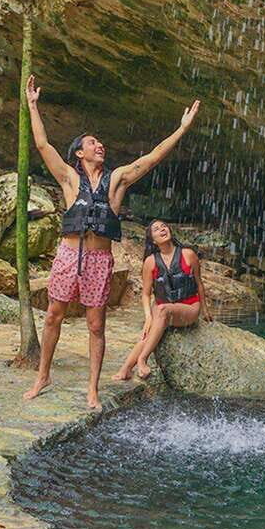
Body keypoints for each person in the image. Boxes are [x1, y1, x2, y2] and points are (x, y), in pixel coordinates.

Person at [22, 74, 201, 409]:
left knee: (95, 325)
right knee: (52, 317)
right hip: (67, 256)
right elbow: (43, 145)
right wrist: (32, 105)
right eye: (92, 143)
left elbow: (152, 158)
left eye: (100, 143)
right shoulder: (69, 178)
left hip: (98, 262)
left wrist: (182, 128)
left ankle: (92, 389)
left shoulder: (116, 181)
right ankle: (42, 376)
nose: (99, 145)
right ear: (79, 152)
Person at [113, 219, 211, 381]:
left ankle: (141, 359)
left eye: (164, 226)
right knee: (152, 325)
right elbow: (145, 294)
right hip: (161, 307)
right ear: (153, 240)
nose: (162, 229)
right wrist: (148, 318)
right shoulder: (150, 262)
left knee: (162, 310)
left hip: (189, 307)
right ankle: (125, 369)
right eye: (156, 229)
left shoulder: (188, 254)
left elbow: (199, 283)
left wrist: (205, 310)